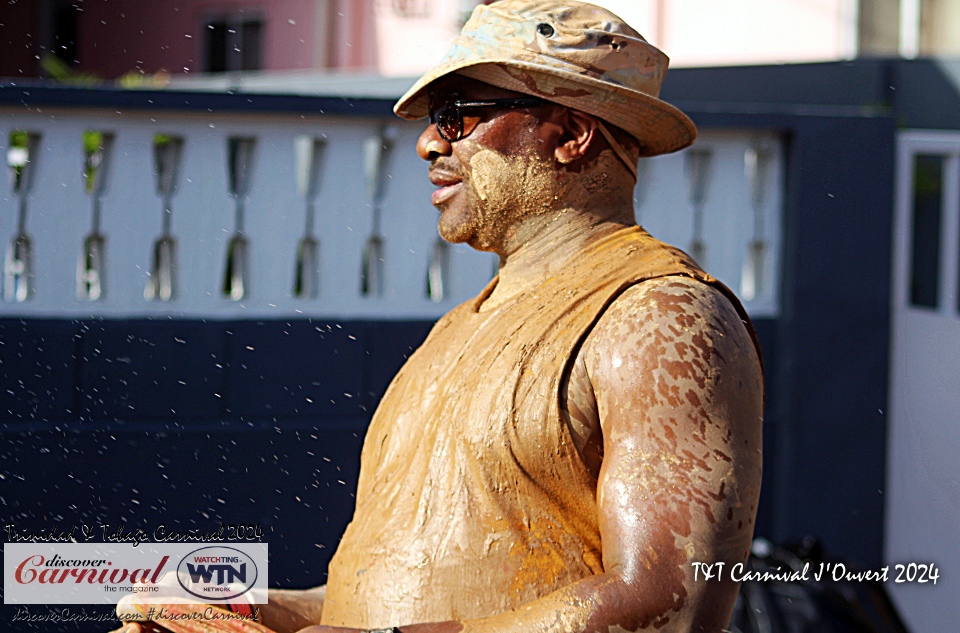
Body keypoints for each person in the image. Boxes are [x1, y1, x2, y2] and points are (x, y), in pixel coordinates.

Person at [113, 1, 763, 632]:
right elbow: (378, 598)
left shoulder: (660, 316)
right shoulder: (451, 334)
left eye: (456, 115)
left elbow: (666, 602)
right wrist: (248, 610)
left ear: (570, 134)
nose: (427, 142)